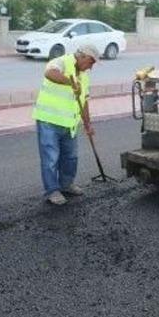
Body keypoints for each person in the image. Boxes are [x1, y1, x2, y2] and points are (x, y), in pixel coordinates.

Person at [32, 45, 99, 206]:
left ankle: (66, 184)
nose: (91, 66)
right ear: (82, 57)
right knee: (50, 158)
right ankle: (52, 190)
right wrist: (70, 81)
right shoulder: (61, 62)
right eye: (91, 62)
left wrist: (88, 124)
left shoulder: (84, 75)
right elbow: (49, 73)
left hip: (70, 123)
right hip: (49, 120)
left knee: (70, 157)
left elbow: (84, 101)